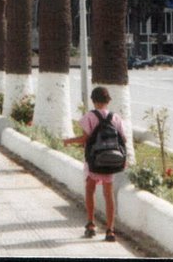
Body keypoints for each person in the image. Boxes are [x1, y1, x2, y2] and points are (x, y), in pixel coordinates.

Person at [63, 86, 126, 243]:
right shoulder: (116, 117)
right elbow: (123, 140)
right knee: (108, 194)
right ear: (108, 101)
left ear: (93, 100)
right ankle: (110, 230)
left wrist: (69, 141)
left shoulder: (89, 117)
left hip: (94, 161)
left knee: (90, 189)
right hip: (111, 161)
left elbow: (85, 139)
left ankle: (91, 224)